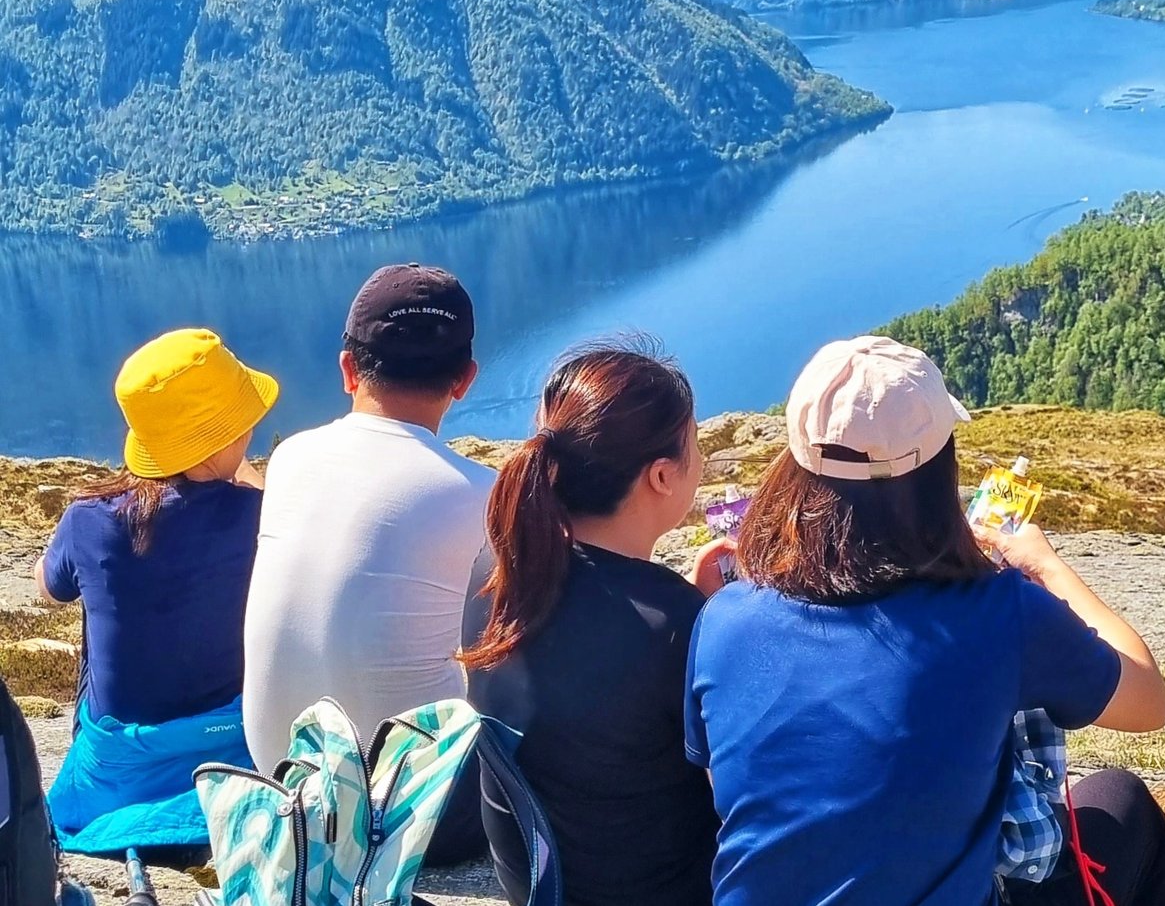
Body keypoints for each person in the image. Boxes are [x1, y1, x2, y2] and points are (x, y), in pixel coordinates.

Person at [684, 336, 1165, 906]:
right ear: (938, 468)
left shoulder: (723, 619)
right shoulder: (996, 613)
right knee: (1121, 799)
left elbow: (735, 796)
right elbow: (1148, 702)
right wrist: (1050, 569)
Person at [461, 343, 731, 906]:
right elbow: (737, 791)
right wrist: (722, 624)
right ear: (661, 476)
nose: (700, 458)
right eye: (695, 444)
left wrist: (699, 610)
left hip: (542, 886)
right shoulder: (672, 625)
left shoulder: (499, 569)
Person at [243, 262, 493, 865]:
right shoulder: (481, 493)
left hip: (283, 781)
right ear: (465, 379)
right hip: (410, 815)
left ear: (348, 369)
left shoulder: (291, 459)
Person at [39, 328, 276, 856]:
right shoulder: (262, 517)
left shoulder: (87, 520)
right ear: (229, 431)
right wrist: (244, 475)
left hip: (117, 771)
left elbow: (51, 589)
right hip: (229, 750)